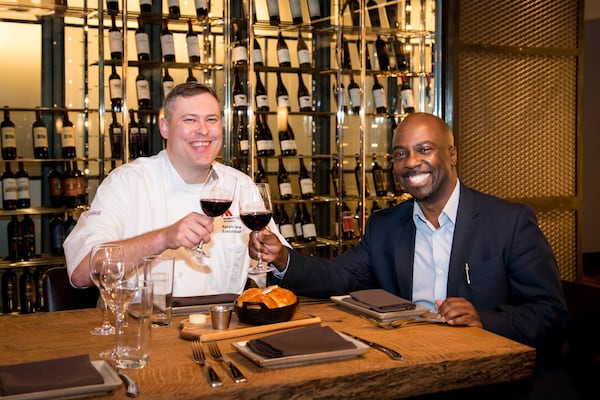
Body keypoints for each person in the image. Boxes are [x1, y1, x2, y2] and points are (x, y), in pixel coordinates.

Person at [249, 112, 575, 398]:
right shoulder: (386, 226)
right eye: (400, 154)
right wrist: (281, 257)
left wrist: (483, 320)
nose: (411, 162)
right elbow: (339, 277)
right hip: (410, 371)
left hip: (489, 380)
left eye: (424, 149)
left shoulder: (509, 221)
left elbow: (551, 314)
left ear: (453, 154)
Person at [65, 82, 284, 297]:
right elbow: (82, 273)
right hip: (145, 324)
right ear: (165, 128)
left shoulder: (241, 184)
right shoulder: (126, 183)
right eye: (190, 120)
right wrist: (164, 238)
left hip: (224, 326)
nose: (203, 130)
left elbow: (279, 264)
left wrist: (273, 253)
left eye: (211, 120)